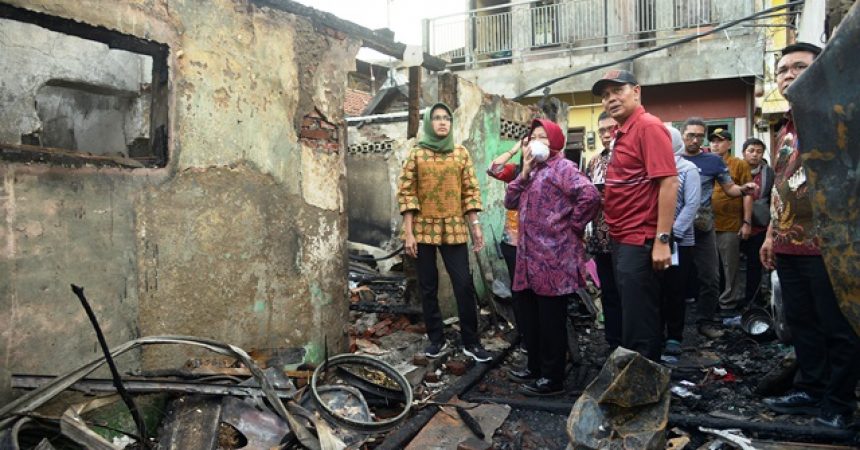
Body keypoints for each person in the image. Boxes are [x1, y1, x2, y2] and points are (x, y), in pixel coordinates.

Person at [759, 43, 860, 429]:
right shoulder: (786, 126)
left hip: (831, 246)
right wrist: (770, 235)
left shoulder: (841, 115)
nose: (788, 74)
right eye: (782, 69)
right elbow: (782, 186)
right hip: (788, 245)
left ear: (821, 71)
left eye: (799, 67)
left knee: (838, 326)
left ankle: (838, 403)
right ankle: (811, 388)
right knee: (802, 323)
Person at [504, 118, 599, 396]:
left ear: (556, 141)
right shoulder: (531, 171)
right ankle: (534, 368)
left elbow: (590, 196)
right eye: (533, 136)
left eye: (544, 137)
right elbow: (509, 201)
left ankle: (552, 379)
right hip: (527, 259)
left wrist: (573, 226)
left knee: (551, 320)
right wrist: (523, 172)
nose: (537, 142)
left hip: (553, 258)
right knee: (528, 317)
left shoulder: (563, 167)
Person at [591, 69, 678, 362]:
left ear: (636, 91)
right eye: (605, 95)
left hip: (639, 237)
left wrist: (662, 240)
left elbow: (668, 182)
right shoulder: (621, 132)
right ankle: (634, 376)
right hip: (621, 238)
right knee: (632, 313)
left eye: (618, 91)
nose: (611, 99)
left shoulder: (648, 127)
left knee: (641, 321)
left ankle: (642, 388)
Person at [397, 102, 492, 363]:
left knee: (463, 285)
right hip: (423, 228)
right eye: (437, 118)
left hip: (453, 228)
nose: (442, 122)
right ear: (429, 123)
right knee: (428, 287)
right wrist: (408, 233)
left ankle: (471, 342)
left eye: (446, 118)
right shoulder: (417, 154)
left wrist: (475, 227)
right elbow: (407, 193)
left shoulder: (460, 153)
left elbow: (470, 191)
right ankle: (436, 339)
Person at [681, 117, 756, 339]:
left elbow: (730, 188)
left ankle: (705, 321)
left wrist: (744, 189)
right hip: (677, 229)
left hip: (704, 228)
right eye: (690, 135)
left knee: (711, 278)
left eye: (698, 135)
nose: (694, 140)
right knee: (675, 278)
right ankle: (672, 328)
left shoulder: (713, 161)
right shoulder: (671, 159)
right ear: (682, 135)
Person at [661, 126, 700, 359]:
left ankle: (674, 336)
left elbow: (692, 204)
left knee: (675, 289)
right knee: (657, 290)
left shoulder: (688, 169)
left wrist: (671, 232)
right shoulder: (652, 168)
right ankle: (656, 334)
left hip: (679, 241)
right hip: (655, 238)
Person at [585, 111, 621, 353]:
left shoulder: (631, 156)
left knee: (630, 291)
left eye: (612, 129)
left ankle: (634, 341)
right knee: (608, 291)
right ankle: (613, 341)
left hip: (628, 237)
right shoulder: (595, 161)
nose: (607, 135)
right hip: (601, 237)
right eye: (602, 131)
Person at [487, 140, 528, 351]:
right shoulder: (517, 172)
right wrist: (514, 149)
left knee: (537, 291)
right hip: (513, 242)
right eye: (528, 143)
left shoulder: (550, 171)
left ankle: (537, 334)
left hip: (538, 243)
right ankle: (524, 335)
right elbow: (493, 169)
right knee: (518, 290)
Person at [708, 129, 753, 317]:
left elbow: (748, 194)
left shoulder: (738, 164)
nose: (715, 144)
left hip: (730, 223)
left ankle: (729, 303)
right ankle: (712, 303)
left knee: (730, 266)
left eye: (720, 141)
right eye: (712, 141)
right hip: (707, 224)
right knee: (710, 267)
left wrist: (746, 222)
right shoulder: (706, 162)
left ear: (729, 144)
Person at [739, 137, 772, 307]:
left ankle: (753, 300)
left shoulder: (768, 173)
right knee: (731, 265)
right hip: (736, 224)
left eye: (759, 152)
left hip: (760, 227)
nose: (755, 155)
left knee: (755, 264)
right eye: (751, 151)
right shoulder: (735, 169)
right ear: (743, 152)